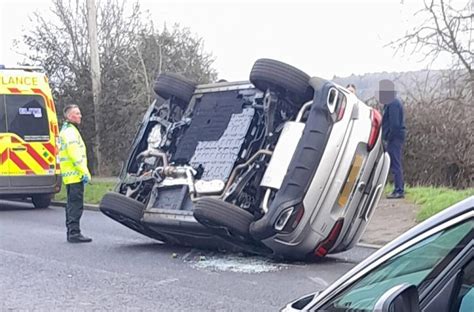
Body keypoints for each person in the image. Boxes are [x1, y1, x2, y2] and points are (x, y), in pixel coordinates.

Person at [59, 104, 92, 243]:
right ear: (70, 116)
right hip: (75, 174)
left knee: (71, 204)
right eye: (77, 113)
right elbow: (75, 155)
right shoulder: (71, 133)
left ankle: (72, 232)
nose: (80, 116)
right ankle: (74, 232)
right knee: (75, 205)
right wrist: (85, 173)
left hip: (69, 175)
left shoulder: (67, 130)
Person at [379, 79, 406, 199]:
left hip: (394, 138)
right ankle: (398, 188)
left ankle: (399, 190)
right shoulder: (393, 102)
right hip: (395, 137)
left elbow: (394, 124)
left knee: (395, 163)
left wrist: (388, 137)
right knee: (395, 163)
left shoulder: (393, 103)